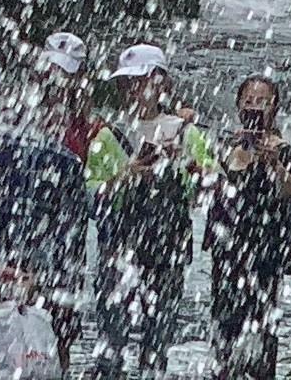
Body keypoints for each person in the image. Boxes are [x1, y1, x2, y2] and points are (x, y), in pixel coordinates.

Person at [84, 46, 213, 377]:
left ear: (161, 82)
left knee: (157, 346)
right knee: (111, 342)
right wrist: (128, 173)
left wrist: (188, 165)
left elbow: (211, 189)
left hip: (168, 248)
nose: (133, 90)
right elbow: (90, 196)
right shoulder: (108, 134)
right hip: (120, 248)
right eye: (127, 83)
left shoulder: (188, 133)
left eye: (139, 81)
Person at [201, 73, 291, 376]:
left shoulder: (284, 151)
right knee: (224, 339)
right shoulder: (226, 146)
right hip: (227, 257)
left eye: (262, 102)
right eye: (249, 101)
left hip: (265, 255)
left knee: (262, 341)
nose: (255, 107)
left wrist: (273, 163)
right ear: (238, 105)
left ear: (274, 108)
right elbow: (210, 189)